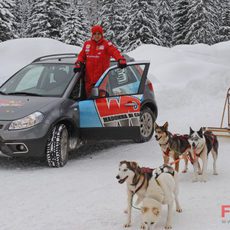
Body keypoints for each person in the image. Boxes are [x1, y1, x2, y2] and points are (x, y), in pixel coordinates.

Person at [74, 25, 127, 97]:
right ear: (92, 35)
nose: (97, 36)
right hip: (88, 80)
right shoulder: (87, 44)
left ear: (102, 34)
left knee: (99, 103)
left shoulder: (106, 45)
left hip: (101, 80)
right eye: (95, 34)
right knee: (89, 101)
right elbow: (81, 56)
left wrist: (120, 59)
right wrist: (78, 63)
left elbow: (114, 52)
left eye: (99, 34)